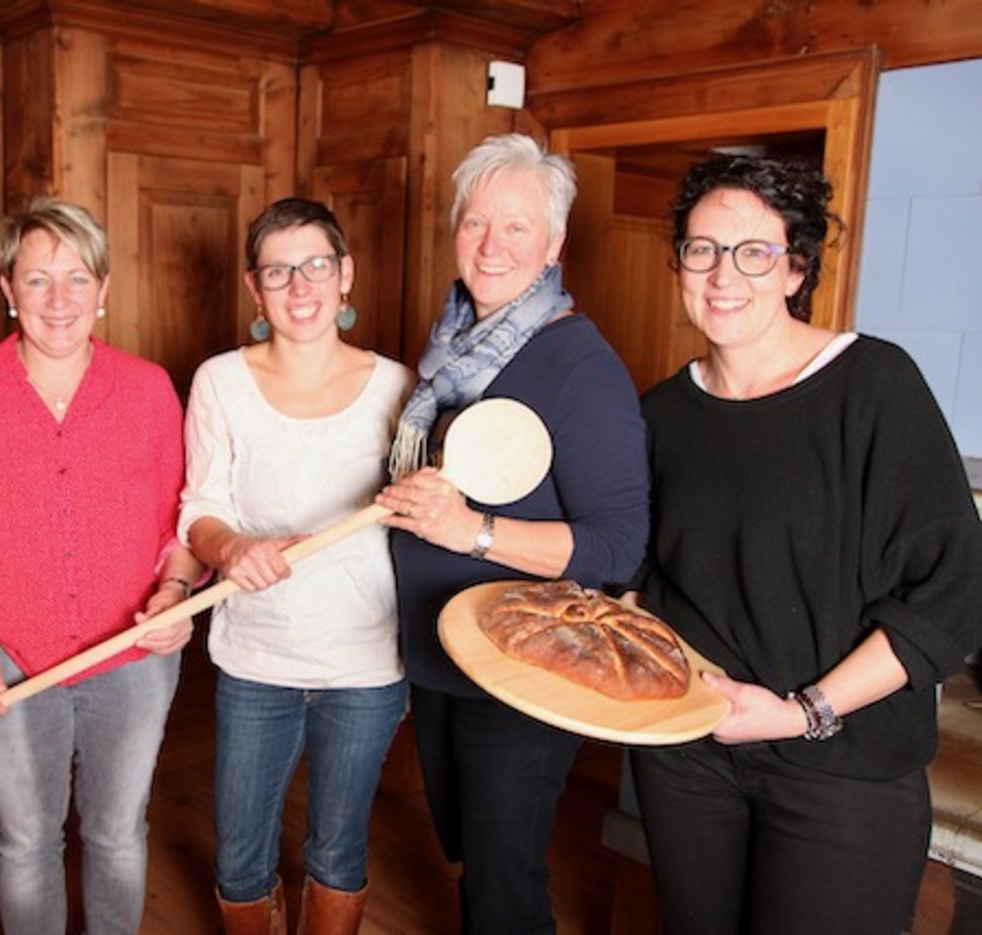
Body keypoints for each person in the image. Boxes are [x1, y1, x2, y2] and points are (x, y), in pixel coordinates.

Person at [628, 155, 982, 935]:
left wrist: (801, 711)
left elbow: (952, 592)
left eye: (753, 251)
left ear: (795, 268)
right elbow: (644, 574)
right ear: (680, 264)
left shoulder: (873, 385)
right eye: (702, 249)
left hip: (843, 763)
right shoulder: (662, 415)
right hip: (689, 753)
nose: (724, 274)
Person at [375, 134, 650, 934]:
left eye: (517, 226)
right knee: (472, 849)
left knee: (504, 874)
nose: (491, 244)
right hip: (443, 652)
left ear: (554, 244)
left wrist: (472, 532)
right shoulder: (453, 349)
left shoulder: (581, 368)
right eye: (476, 222)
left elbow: (617, 545)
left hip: (524, 666)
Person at [0, 196, 201, 935]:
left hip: (131, 655)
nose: (59, 298)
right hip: (3, 656)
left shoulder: (148, 389)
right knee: (26, 839)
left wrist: (175, 589)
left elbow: (182, 523)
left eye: (77, 278)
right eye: (38, 279)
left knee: (118, 832)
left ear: (104, 288)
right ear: (8, 288)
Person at [179, 197, 412, 934]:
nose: (300, 286)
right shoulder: (219, 381)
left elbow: (423, 519)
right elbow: (200, 508)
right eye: (278, 271)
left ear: (346, 274)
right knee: (239, 860)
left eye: (316, 265)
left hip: (365, 662)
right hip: (256, 658)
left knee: (338, 853)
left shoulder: (399, 387)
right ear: (255, 288)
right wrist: (230, 548)